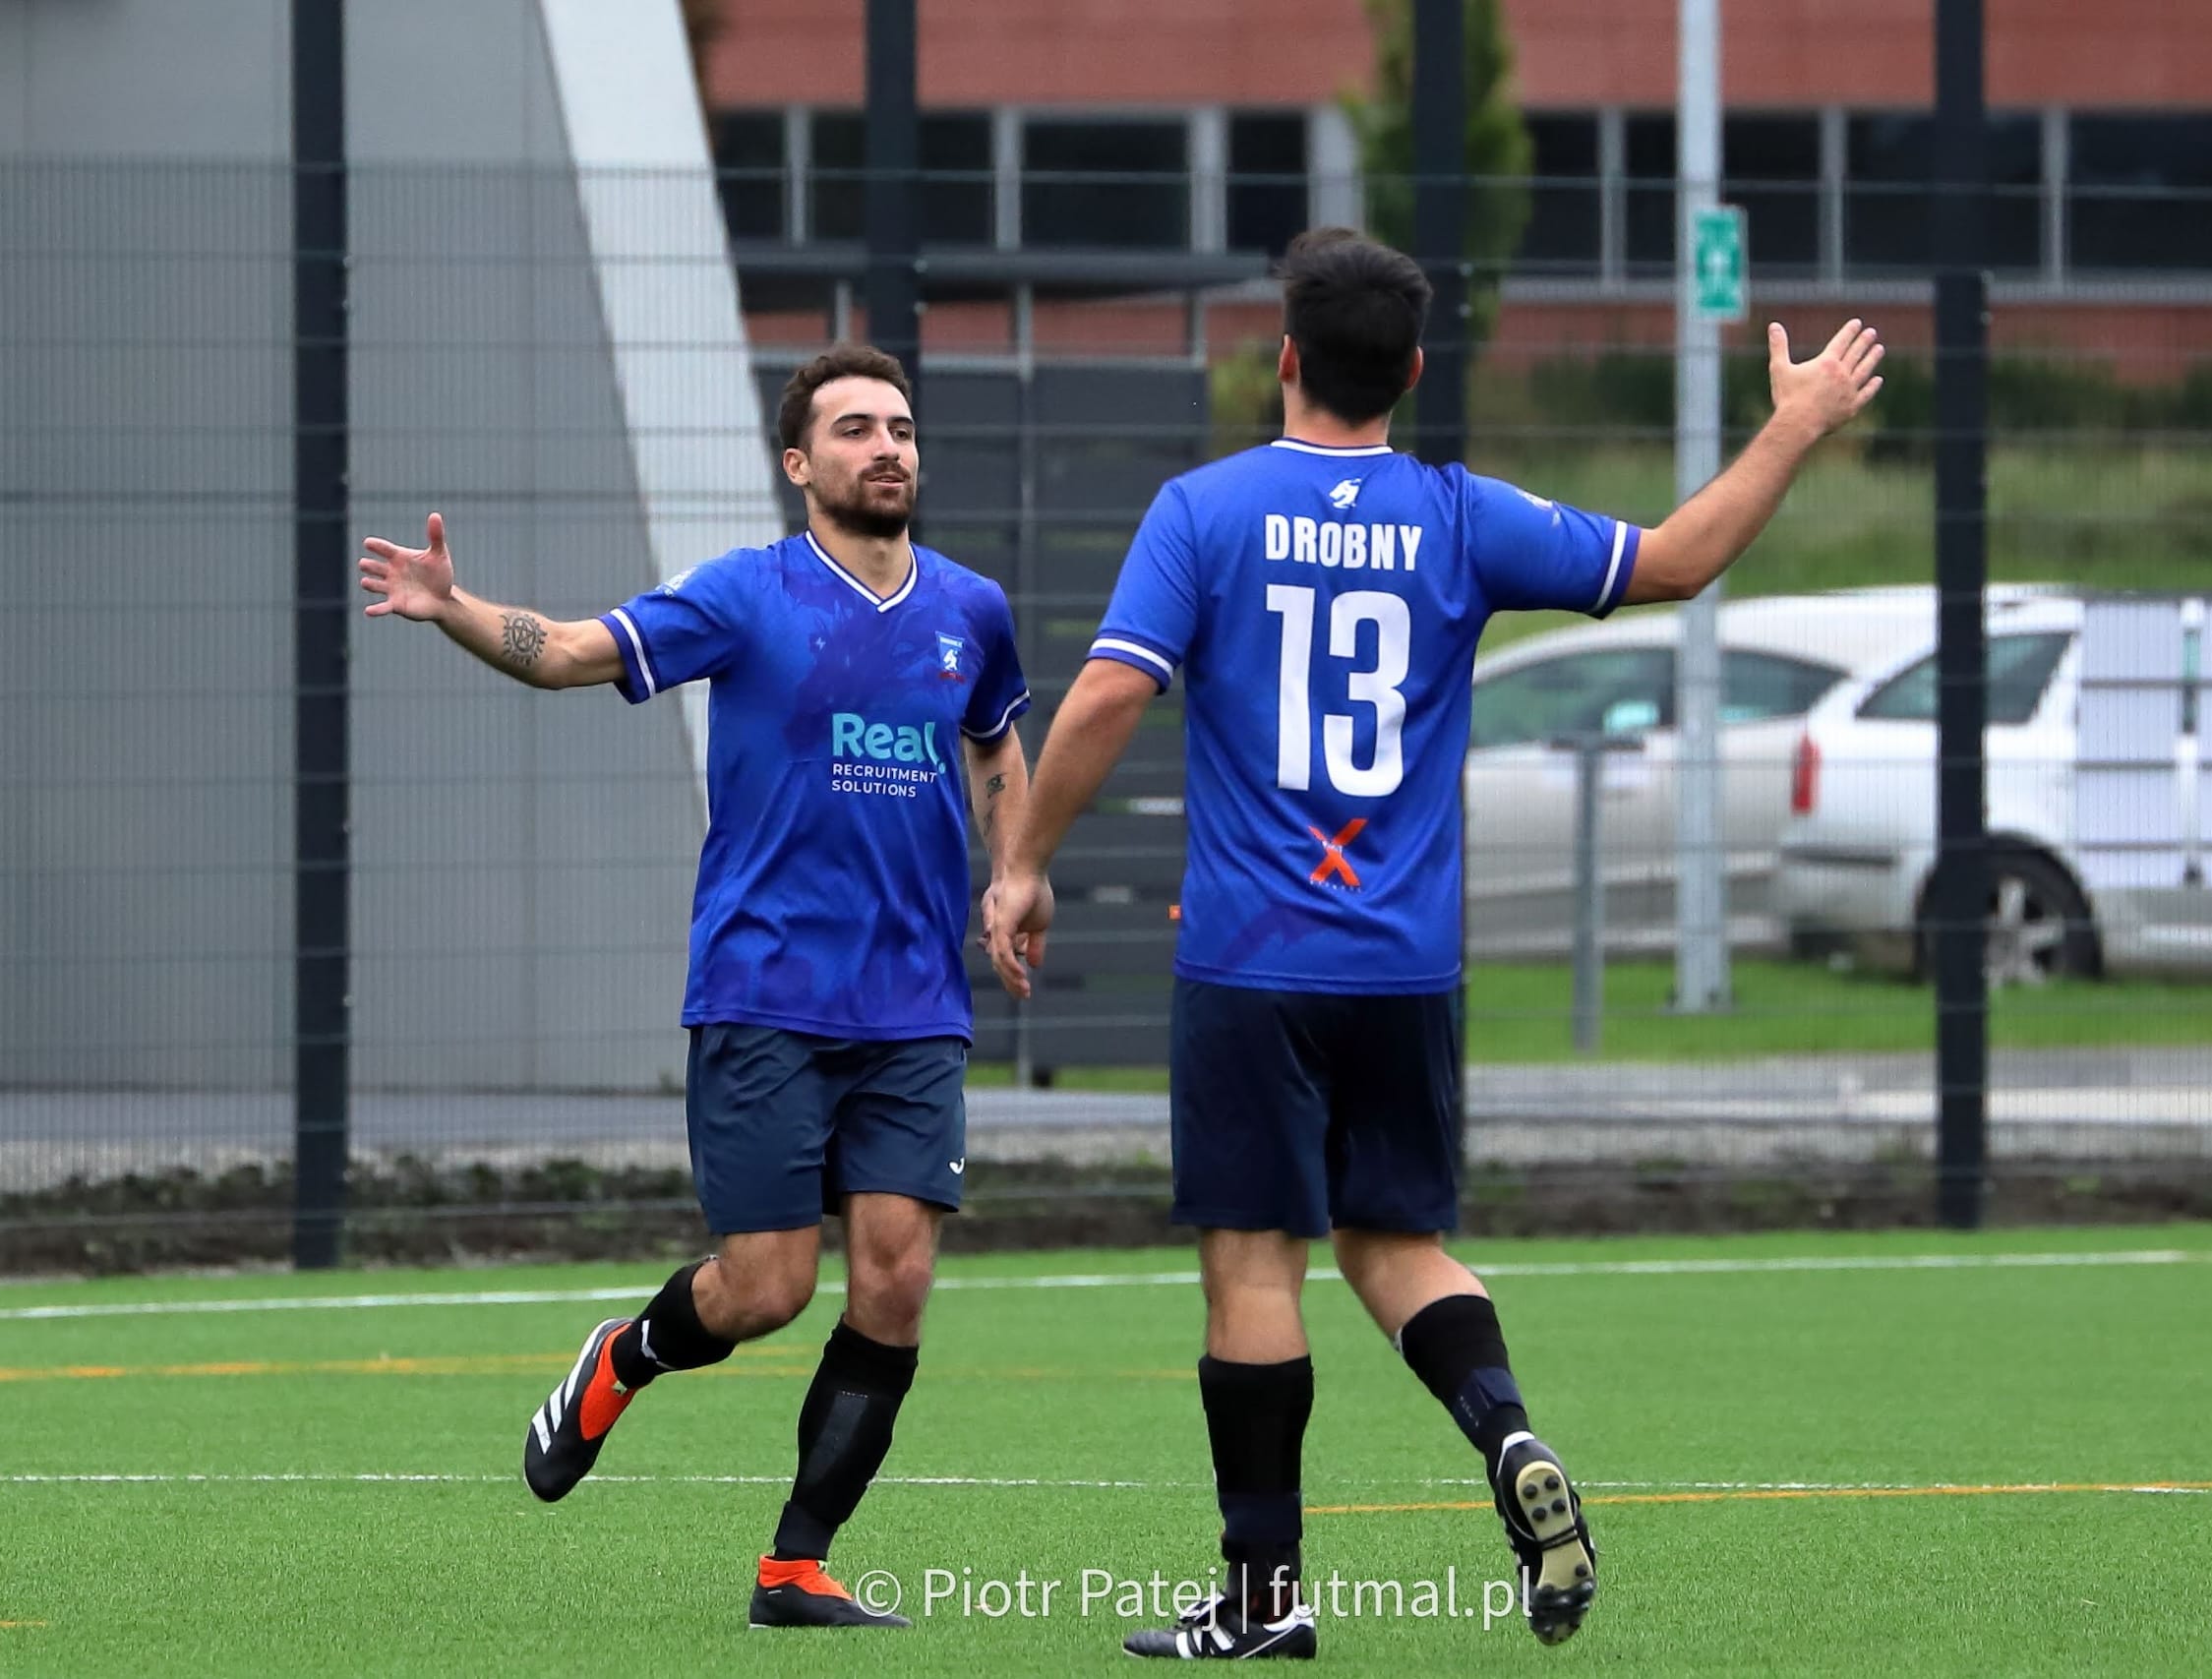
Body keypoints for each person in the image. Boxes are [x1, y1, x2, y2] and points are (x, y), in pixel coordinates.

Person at [982, 228, 1883, 1660]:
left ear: (1284, 358)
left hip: (1251, 962)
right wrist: (1793, 424)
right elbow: (1680, 563)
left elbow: (1101, 700)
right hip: (1403, 966)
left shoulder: (1204, 512)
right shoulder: (1462, 517)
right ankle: (1509, 1436)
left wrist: (1024, 861)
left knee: (1253, 1266)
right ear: (1409, 370)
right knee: (1397, 1241)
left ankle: (1265, 1598)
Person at [360, 344, 1043, 1633]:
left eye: (900, 428)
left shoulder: (972, 610)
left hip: (912, 1010)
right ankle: (623, 1358)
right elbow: (568, 651)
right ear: (801, 466)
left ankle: (796, 1564)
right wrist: (454, 608)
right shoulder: (744, 595)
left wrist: (1017, 873)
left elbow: (1000, 739)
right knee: (768, 1289)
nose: (887, 447)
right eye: (855, 430)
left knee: (894, 1282)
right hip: (765, 994)